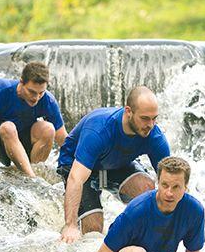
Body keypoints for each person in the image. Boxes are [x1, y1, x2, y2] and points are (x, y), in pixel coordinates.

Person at [58, 87, 171, 243]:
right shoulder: (99, 130)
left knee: (146, 188)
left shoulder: (155, 136)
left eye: (154, 118)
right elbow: (76, 178)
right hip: (76, 164)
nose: (150, 125)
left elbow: (172, 179)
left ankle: (135, 237)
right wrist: (70, 225)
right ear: (128, 111)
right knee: (93, 232)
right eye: (145, 118)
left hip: (116, 162)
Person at [97, 156, 205, 252]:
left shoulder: (194, 210)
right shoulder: (137, 210)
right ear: (157, 183)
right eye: (165, 185)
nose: (169, 193)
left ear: (185, 187)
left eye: (176, 187)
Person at [0, 61, 67, 177]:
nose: (36, 98)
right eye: (32, 92)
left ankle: (32, 170)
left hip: (21, 140)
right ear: (21, 82)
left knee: (48, 129)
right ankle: (32, 178)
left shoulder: (47, 100)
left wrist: (79, 165)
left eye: (41, 93)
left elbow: (63, 138)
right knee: (8, 127)